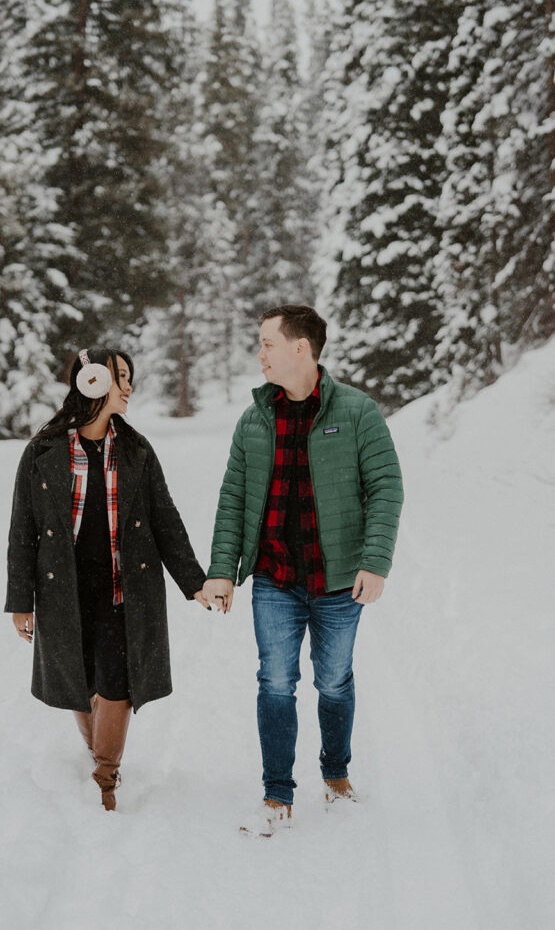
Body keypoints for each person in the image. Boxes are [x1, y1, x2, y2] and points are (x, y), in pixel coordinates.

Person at [201, 305, 404, 836]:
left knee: (334, 682)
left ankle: (335, 777)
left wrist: (375, 562)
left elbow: (386, 489)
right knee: (275, 682)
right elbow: (232, 498)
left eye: (268, 342)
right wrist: (222, 569)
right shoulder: (255, 419)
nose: (260, 352)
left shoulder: (357, 412)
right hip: (275, 577)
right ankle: (276, 795)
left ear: (300, 348)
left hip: (338, 580)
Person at [5, 347, 209, 810]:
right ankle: (97, 748)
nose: (129, 387)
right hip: (65, 593)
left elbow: (165, 521)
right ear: (92, 380)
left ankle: (105, 777)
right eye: (120, 377)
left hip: (124, 592)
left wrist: (194, 582)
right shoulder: (43, 451)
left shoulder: (136, 450)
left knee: (117, 680)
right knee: (78, 679)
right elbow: (23, 530)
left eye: (129, 377)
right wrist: (21, 600)